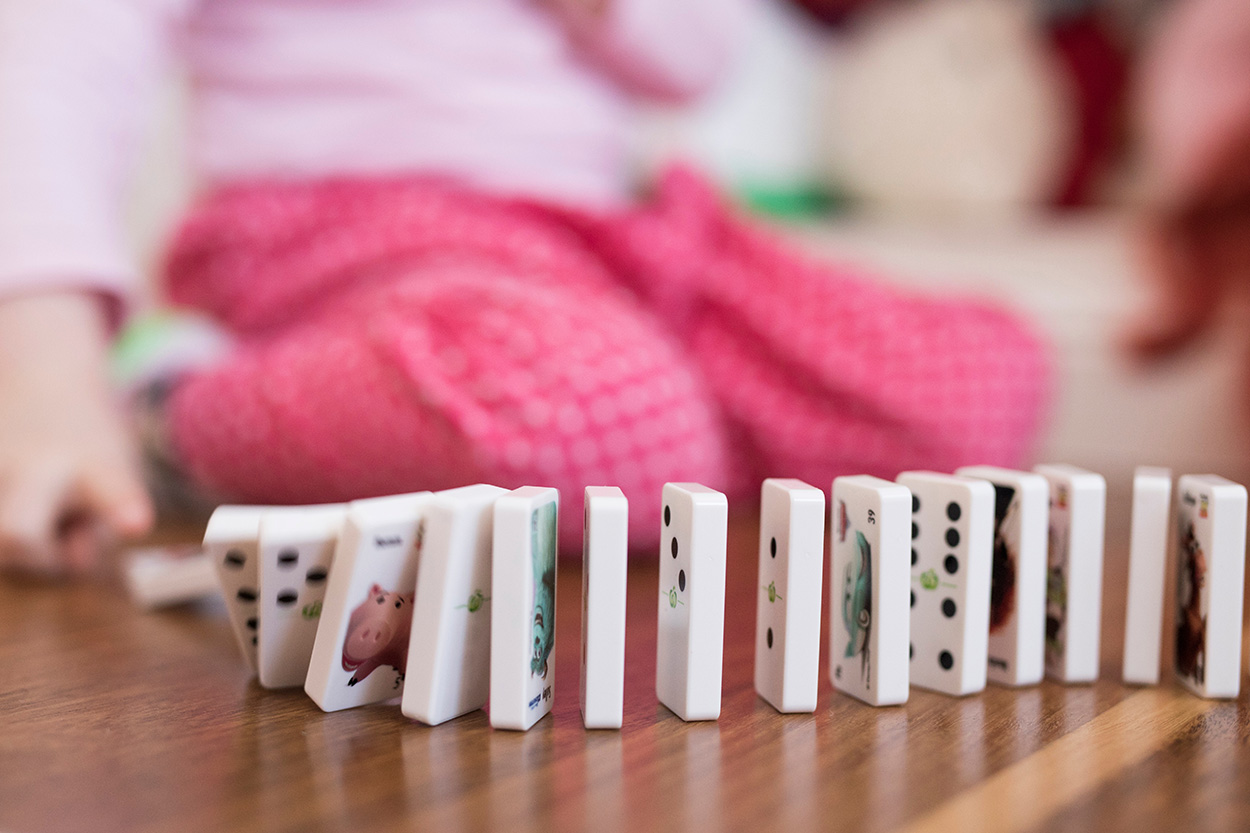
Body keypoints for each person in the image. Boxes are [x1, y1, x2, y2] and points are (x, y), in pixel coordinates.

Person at [0, 0, 1048, 575]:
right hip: (352, 238)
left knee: (972, 388)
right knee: (598, 417)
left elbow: (698, 59)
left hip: (621, 241)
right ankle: (175, 409)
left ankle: (626, 433)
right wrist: (49, 377)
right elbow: (57, 56)